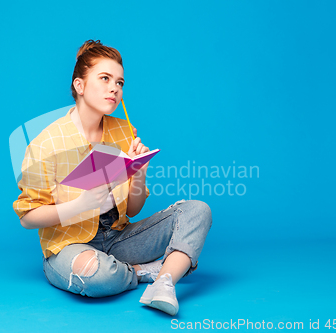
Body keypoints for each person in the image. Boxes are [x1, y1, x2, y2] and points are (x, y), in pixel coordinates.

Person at [13, 39, 212, 316]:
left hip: (117, 237)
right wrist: (80, 205)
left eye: (119, 82)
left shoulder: (124, 131)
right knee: (99, 277)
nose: (114, 88)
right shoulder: (46, 143)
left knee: (197, 211)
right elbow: (27, 217)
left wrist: (139, 173)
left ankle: (164, 282)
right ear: (79, 86)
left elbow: (132, 210)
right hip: (69, 245)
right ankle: (143, 273)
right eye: (105, 78)